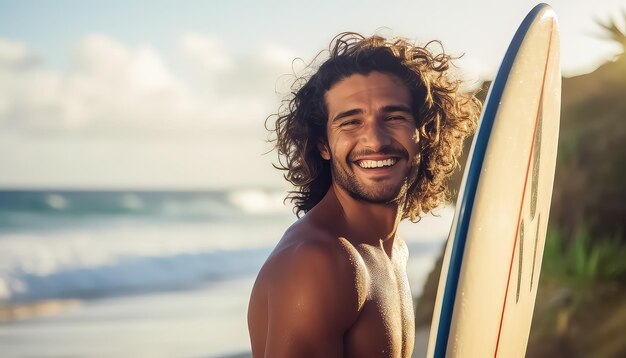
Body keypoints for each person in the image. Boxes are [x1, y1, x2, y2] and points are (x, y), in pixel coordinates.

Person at [247, 32, 481, 357]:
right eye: (351, 122)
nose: (375, 139)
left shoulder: (393, 251)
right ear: (322, 146)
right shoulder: (319, 262)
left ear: (425, 134)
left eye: (394, 117)